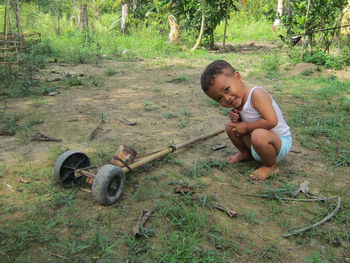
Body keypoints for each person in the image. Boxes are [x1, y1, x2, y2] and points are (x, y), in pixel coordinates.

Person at [201, 60, 292, 180]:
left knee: (258, 135)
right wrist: (236, 119)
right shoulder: (237, 102)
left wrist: (246, 127)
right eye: (219, 98)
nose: (227, 98)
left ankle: (271, 166)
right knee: (230, 127)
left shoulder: (256, 94)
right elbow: (245, 122)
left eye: (227, 90)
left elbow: (271, 121)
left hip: (278, 144)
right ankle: (247, 154)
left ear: (238, 77)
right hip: (258, 145)